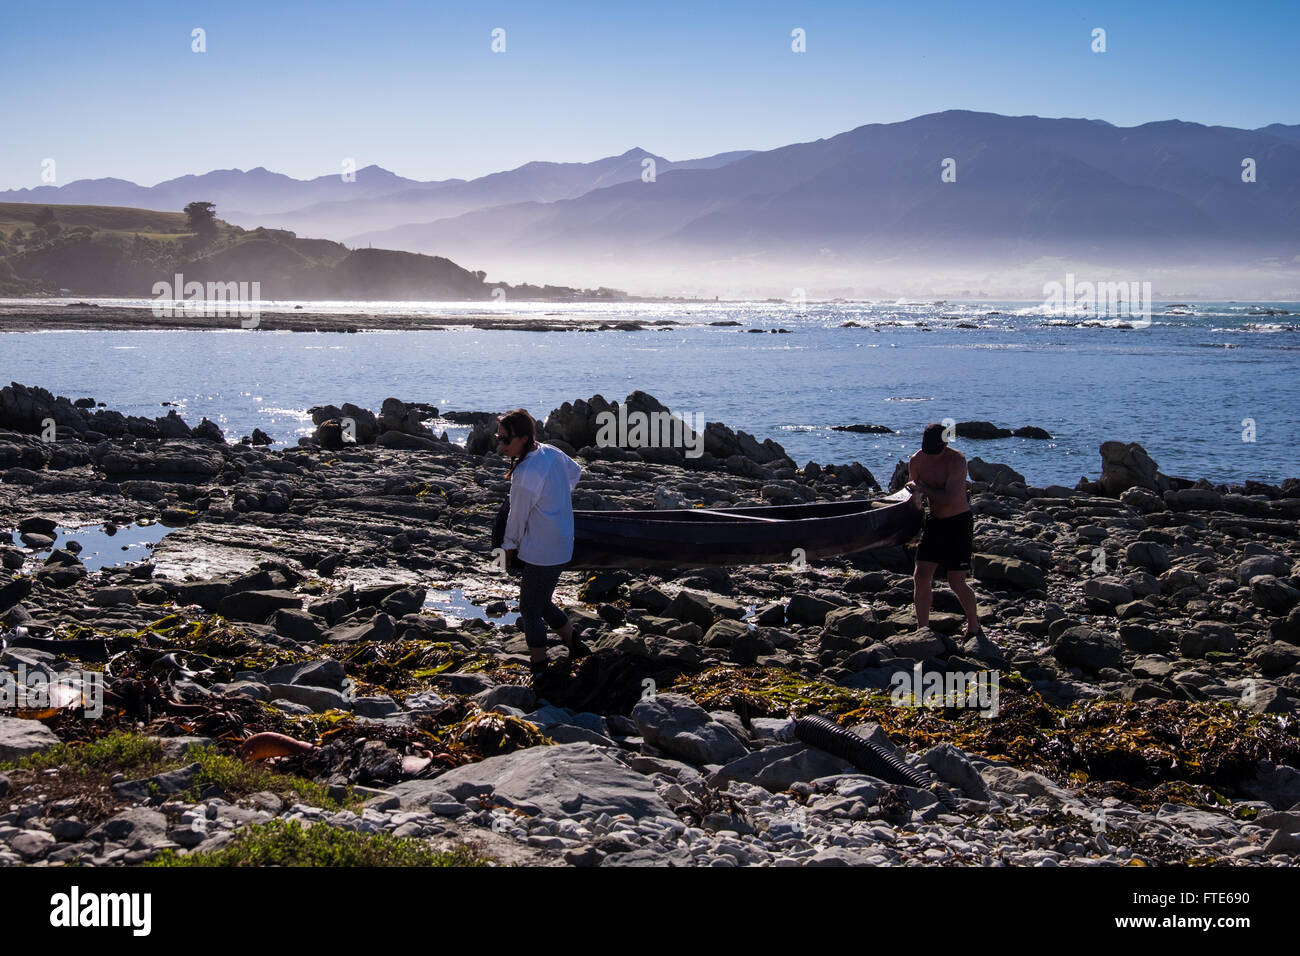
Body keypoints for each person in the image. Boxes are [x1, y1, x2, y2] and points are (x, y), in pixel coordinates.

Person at [496, 408, 588, 676]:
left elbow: (517, 515)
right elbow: (575, 472)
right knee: (542, 601)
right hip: (561, 540)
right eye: (498, 438)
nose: (501, 445)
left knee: (529, 610)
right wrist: (556, 498)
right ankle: (577, 647)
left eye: (505, 439)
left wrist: (507, 547)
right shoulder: (549, 451)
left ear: (523, 438)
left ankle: (539, 667)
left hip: (541, 549)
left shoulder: (526, 472)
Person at [905, 423, 982, 639]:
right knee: (920, 576)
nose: (931, 455)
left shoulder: (956, 461)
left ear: (944, 443)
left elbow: (950, 497)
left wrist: (922, 488)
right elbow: (915, 496)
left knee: (956, 580)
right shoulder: (917, 460)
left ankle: (974, 626)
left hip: (958, 522)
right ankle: (922, 629)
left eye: (935, 449)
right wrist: (910, 527)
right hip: (934, 522)